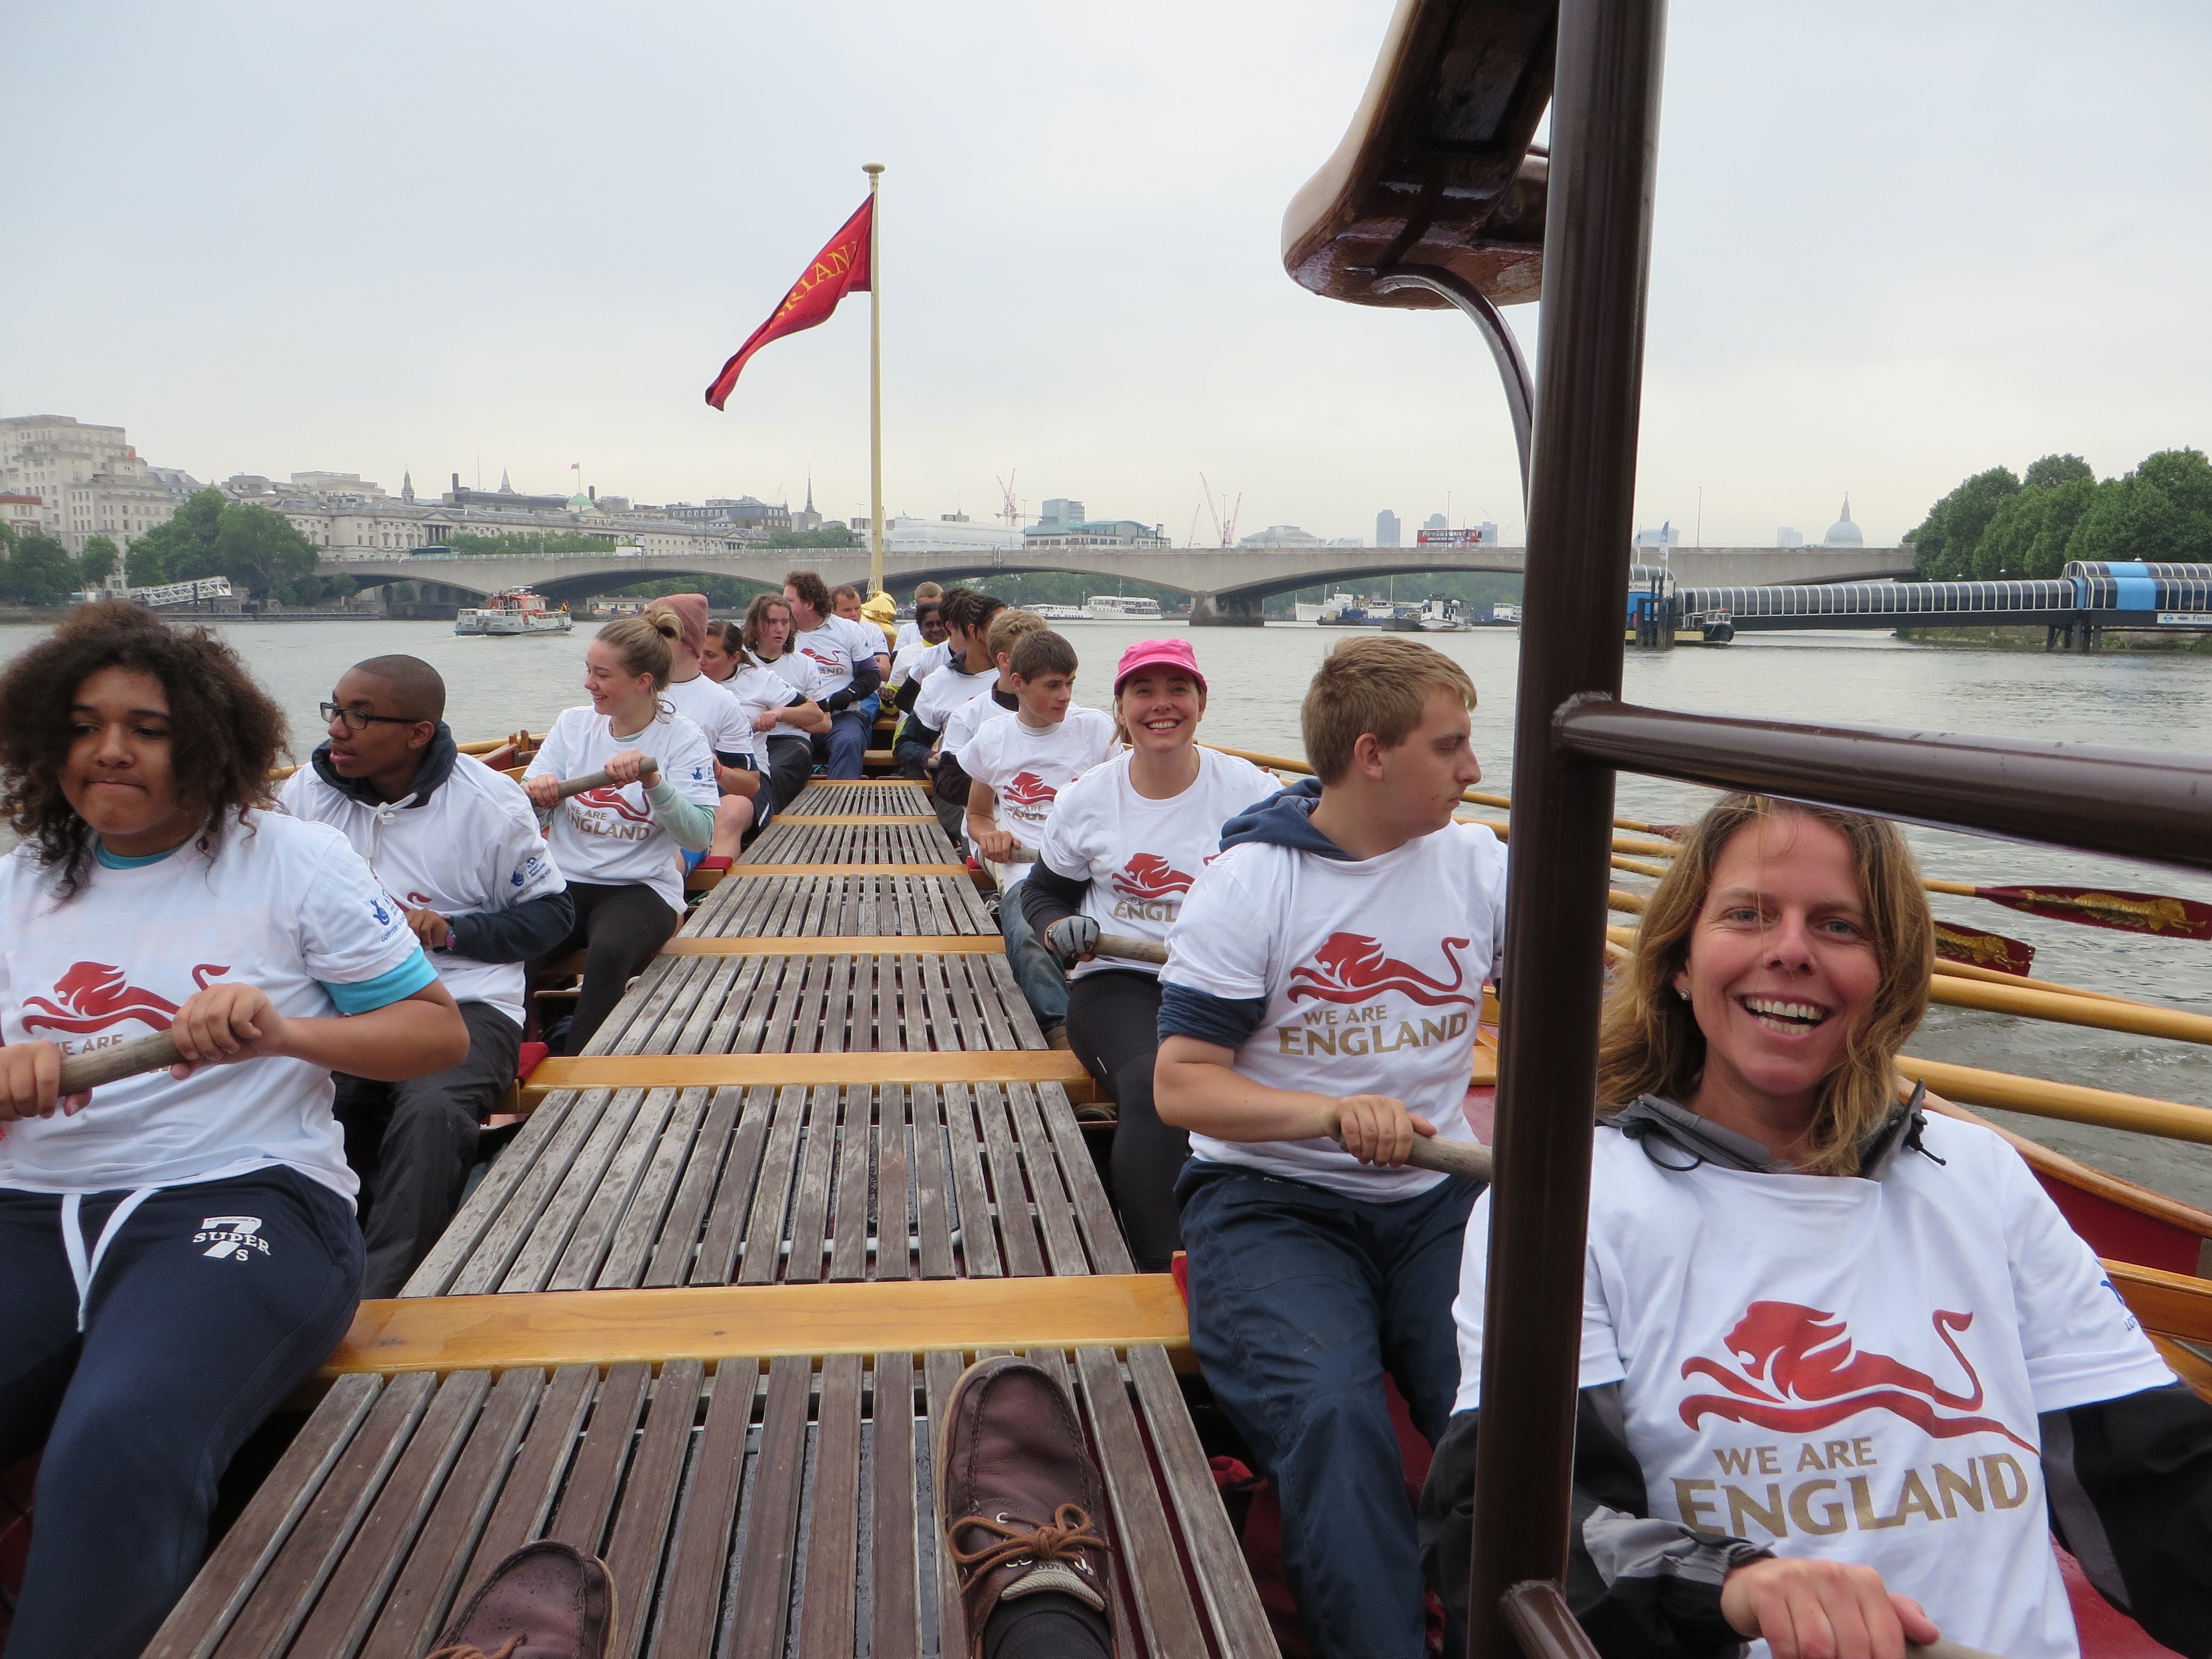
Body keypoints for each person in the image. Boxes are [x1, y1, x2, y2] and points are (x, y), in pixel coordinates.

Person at [1421, 794, 2212, 1659]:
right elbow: (1498, 1525)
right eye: (1748, 915)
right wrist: (1735, 1584)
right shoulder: (1570, 1203)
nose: (1789, 951)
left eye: (1839, 926)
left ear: (1891, 976)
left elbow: (2153, 1480)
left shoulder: (1980, 1177)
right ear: (1681, 961)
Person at [0, 604, 469, 1659]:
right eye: (81, 725)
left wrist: (284, 1032)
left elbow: (437, 1035)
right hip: (30, 1213)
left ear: (205, 743)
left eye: (148, 729)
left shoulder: (292, 861)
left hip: (241, 1200)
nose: (110, 750)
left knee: (118, 1443)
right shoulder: (15, 883)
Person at [1154, 635, 1505, 1659]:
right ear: (1373, 755)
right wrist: (1328, 1114)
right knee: (1335, 1416)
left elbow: (1590, 1025)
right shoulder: (1250, 885)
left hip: (1435, 1203)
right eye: (1453, 748)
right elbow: (1183, 1086)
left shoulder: (1482, 865)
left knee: (1499, 1415)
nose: (1475, 772)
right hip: (1270, 1202)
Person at [278, 654, 573, 1297]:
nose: (338, 730)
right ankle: (304, 1269)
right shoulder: (303, 794)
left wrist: (451, 930)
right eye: (335, 709)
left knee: (433, 1108)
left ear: (417, 733)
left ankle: (382, 1294)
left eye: (361, 716)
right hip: (343, 998)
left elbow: (552, 918)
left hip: (466, 1000)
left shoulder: (491, 802)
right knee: (299, 1092)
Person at [1019, 640, 1276, 1271]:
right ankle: (1167, 1264)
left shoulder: (1254, 792)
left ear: (1200, 702)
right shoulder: (1086, 798)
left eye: (1177, 689)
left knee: (1282, 1083)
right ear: (1122, 708)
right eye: (1143, 691)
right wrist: (1060, 927)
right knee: (1152, 1084)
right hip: (1122, 980)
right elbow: (1042, 895)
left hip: (1226, 984)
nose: (1161, 705)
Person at [522, 613, 719, 1055]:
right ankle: (505, 1068)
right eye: (589, 670)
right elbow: (521, 815)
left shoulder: (682, 739)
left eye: (602, 674)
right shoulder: (573, 725)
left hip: (640, 887)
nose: (588, 683)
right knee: (515, 946)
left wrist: (653, 782)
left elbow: (699, 837)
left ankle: (578, 1071)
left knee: (609, 953)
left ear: (642, 681)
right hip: (564, 882)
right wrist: (538, 798)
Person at [963, 629, 1119, 1045]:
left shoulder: (1097, 730)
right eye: (1053, 685)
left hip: (1090, 866)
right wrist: (990, 836)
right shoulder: (993, 739)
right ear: (1019, 683)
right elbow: (977, 816)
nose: (1065, 695)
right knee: (1030, 938)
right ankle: (1064, 1034)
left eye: (1070, 683)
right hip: (1027, 870)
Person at [643, 594, 763, 859]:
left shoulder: (720, 700)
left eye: (659, 631)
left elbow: (750, 785)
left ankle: (715, 892)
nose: (645, 640)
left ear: (685, 641)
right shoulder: (634, 685)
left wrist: (718, 770)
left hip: (693, 804)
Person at [701, 612, 831, 825]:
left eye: (710, 655)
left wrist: (778, 713)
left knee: (726, 817)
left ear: (734, 657)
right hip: (694, 770)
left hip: (745, 770)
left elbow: (816, 714)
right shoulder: (682, 680)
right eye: (698, 653)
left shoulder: (759, 679)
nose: (700, 661)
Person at [903, 588, 1007, 828]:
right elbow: (908, 744)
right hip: (962, 790)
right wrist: (931, 759)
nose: (1011, 633)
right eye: (1001, 626)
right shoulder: (940, 681)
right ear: (975, 632)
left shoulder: (1022, 678)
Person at [785, 570, 885, 779]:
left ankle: (842, 804)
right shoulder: (781, 633)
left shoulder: (848, 630)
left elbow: (871, 675)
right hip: (792, 717)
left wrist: (849, 694)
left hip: (842, 716)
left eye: (789, 600)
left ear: (809, 603)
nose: (782, 605)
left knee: (848, 741)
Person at [744, 592, 835, 813]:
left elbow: (824, 723)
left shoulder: (805, 664)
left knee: (775, 772)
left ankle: (766, 826)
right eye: (772, 622)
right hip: (748, 739)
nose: (780, 629)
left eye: (785, 622)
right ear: (756, 625)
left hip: (790, 741)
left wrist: (781, 714)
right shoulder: (741, 662)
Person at [889, 597, 951, 779]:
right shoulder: (907, 654)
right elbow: (896, 700)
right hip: (915, 720)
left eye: (940, 624)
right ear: (920, 628)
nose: (936, 629)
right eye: (929, 625)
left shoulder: (966, 655)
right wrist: (887, 700)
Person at [897, 580, 945, 651]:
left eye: (936, 606)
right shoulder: (907, 631)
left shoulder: (955, 631)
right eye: (926, 609)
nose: (932, 611)